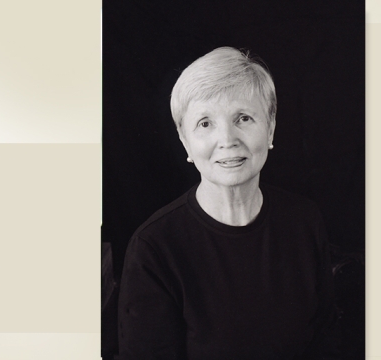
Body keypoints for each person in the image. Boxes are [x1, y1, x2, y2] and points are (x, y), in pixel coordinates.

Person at [117, 47, 341, 360]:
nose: (227, 139)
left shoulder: (304, 221)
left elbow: (326, 340)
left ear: (271, 128)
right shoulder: (154, 248)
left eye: (243, 118)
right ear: (185, 142)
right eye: (205, 123)